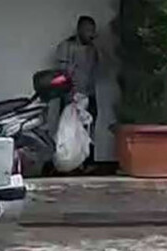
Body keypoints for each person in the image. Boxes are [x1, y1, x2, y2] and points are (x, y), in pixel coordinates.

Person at [56, 16, 100, 168]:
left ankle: (88, 164)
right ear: (79, 29)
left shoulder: (93, 49)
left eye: (93, 31)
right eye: (88, 30)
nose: (91, 34)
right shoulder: (66, 47)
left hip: (89, 94)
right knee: (69, 132)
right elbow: (63, 74)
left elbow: (94, 71)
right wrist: (70, 95)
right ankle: (69, 164)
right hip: (71, 96)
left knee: (89, 131)